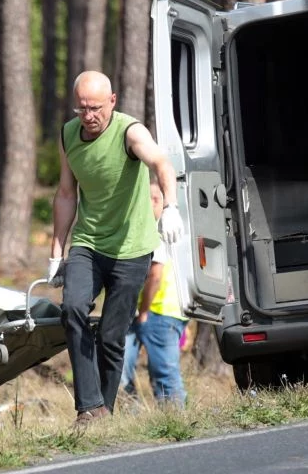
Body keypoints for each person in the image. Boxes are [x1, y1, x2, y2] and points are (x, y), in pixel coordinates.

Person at [48, 70, 184, 425]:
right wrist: (55, 251)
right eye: (82, 109)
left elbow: (161, 162)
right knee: (73, 308)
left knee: (111, 336)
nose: (89, 117)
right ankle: (87, 408)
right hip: (89, 242)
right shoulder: (68, 134)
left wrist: (170, 207)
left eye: (96, 108)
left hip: (132, 249)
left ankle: (103, 413)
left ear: (112, 101)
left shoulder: (129, 131)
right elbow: (65, 194)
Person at [120, 182, 188, 407]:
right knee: (120, 368)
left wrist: (144, 312)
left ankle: (176, 421)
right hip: (152, 312)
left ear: (159, 201)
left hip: (157, 312)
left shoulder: (158, 230)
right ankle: (134, 418)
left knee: (164, 374)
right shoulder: (167, 229)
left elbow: (155, 276)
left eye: (151, 198)